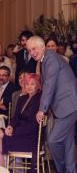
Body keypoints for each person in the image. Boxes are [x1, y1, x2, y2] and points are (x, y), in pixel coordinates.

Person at [27, 36, 77, 173]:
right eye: (29, 50)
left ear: (43, 47)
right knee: (68, 143)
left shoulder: (51, 59)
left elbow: (49, 85)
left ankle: (62, 170)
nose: (32, 52)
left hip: (69, 106)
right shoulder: (46, 59)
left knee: (53, 140)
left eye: (34, 48)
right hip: (66, 106)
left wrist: (42, 110)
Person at [0, 73, 41, 172]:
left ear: (38, 85)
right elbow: (15, 118)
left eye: (32, 84)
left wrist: (14, 131)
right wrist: (10, 126)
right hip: (17, 134)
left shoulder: (39, 100)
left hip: (29, 139)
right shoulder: (22, 98)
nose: (29, 87)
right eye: (27, 84)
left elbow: (33, 126)